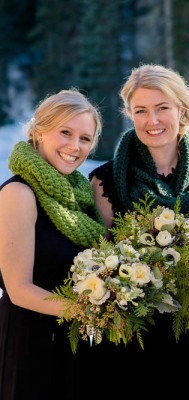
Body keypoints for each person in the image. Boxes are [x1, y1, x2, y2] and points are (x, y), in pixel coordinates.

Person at [84, 64, 189, 399]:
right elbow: (95, 261)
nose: (152, 121)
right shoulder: (105, 180)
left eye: (162, 108)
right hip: (130, 337)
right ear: (129, 114)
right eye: (141, 110)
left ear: (182, 111)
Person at [0, 89, 105, 399]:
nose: (75, 146)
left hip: (70, 342)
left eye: (85, 139)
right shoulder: (19, 194)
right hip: (30, 345)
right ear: (39, 131)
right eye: (65, 132)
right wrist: (88, 312)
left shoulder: (79, 198)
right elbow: (19, 289)